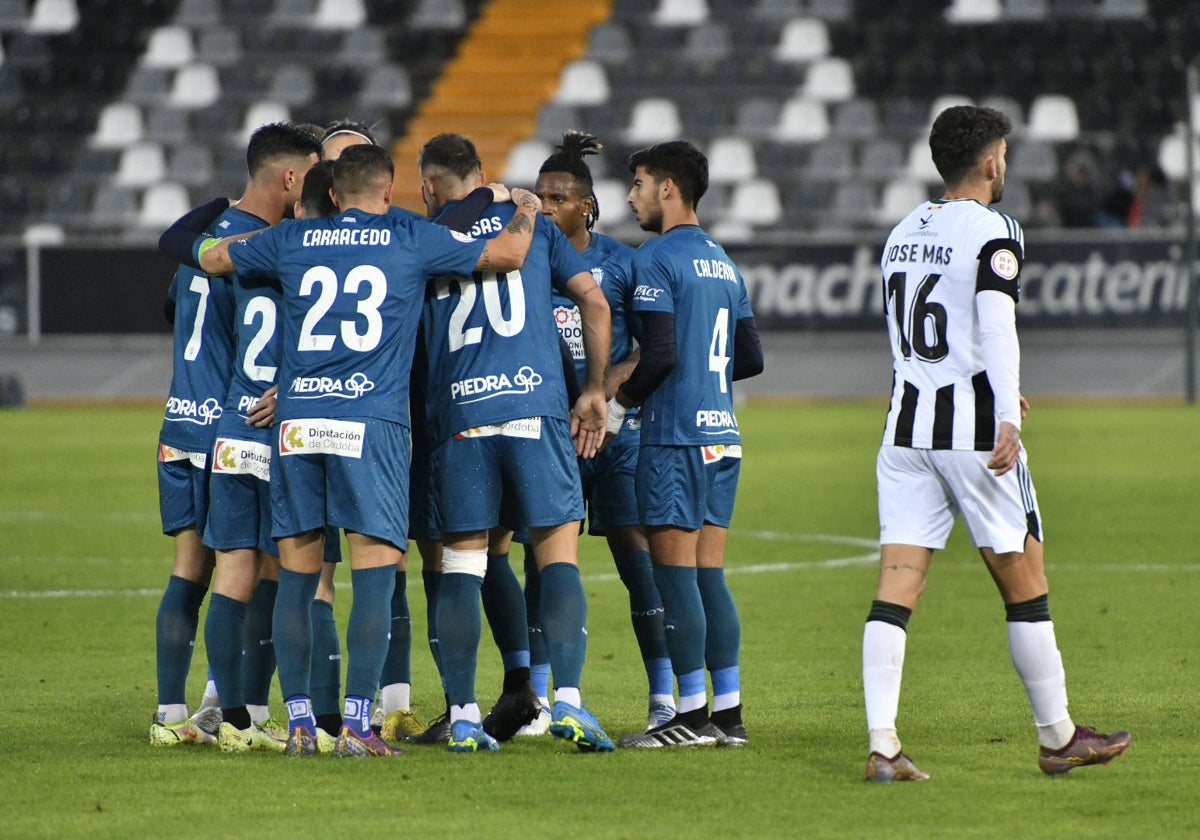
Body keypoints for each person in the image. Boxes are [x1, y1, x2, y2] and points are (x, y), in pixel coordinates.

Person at [196, 144, 542, 757]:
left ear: (333, 195)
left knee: (300, 582)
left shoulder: (294, 240)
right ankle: (357, 724)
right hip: (370, 423)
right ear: (389, 192)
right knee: (377, 578)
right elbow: (511, 253)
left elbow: (216, 256)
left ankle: (302, 722)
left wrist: (210, 236)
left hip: (297, 423)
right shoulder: (408, 237)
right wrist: (527, 205)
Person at [863, 104, 1130, 782]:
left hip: (905, 428)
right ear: (989, 162)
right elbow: (994, 324)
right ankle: (1058, 736)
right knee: (1026, 584)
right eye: (1003, 154)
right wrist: (1005, 410)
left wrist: (979, 388)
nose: (1004, 164)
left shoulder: (901, 233)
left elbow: (908, 340)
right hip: (975, 435)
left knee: (897, 585)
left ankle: (883, 745)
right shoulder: (993, 229)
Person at [415, 132, 614, 753]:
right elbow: (596, 302)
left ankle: (466, 715)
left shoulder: (421, 236)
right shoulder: (533, 223)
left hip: (461, 418)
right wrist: (594, 390)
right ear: (482, 172)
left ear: (428, 187)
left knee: (464, 564)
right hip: (534, 407)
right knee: (557, 557)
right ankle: (571, 704)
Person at [148, 124, 317, 747]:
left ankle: (171, 714)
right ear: (293, 177)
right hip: (234, 421)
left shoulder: (207, 239)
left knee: (190, 569)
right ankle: (235, 707)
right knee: (261, 566)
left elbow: (176, 310)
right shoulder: (265, 250)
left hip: (178, 422)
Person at [607, 141, 763, 749]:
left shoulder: (658, 256)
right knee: (709, 577)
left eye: (639, 183)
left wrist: (619, 407)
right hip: (723, 436)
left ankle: (689, 718)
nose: (631, 195)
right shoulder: (724, 261)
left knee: (674, 580)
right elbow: (750, 356)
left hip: (674, 438)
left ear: (668, 188)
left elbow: (663, 353)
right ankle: (728, 714)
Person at [523, 131, 674, 735]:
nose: (547, 206)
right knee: (541, 568)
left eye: (559, 197)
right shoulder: (522, 256)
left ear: (586, 205)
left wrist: (602, 395)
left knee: (640, 564)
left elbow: (649, 351)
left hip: (614, 437)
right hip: (548, 437)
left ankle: (663, 695)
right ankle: (537, 698)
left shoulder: (621, 263)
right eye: (540, 196)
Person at [195, 123, 321, 753]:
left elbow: (200, 254)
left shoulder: (248, 249)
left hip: (232, 424)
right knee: (289, 575)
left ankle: (232, 719)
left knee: (231, 574)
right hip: (284, 429)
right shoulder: (307, 249)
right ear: (295, 178)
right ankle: (278, 711)